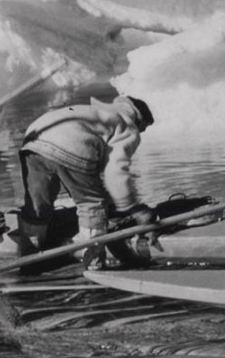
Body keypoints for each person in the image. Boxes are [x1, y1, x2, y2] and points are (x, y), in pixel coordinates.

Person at [18, 95, 156, 271]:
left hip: (34, 140)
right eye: (143, 129)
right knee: (92, 204)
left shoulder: (98, 112)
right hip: (71, 143)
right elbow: (116, 171)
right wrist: (130, 207)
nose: (140, 134)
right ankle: (93, 262)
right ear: (139, 120)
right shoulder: (128, 125)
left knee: (37, 206)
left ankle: (29, 258)